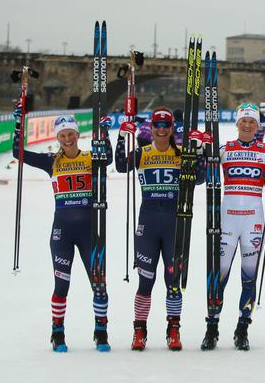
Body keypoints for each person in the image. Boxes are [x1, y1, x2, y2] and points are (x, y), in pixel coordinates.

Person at [11, 107, 113, 352]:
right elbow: (18, 153)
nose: (67, 139)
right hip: (62, 233)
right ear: (57, 138)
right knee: (61, 286)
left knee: (99, 284)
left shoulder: (90, 158)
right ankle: (57, 332)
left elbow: (108, 158)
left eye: (71, 134)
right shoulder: (51, 161)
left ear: (77, 135)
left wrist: (106, 134)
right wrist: (18, 125)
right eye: (62, 135)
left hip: (90, 231)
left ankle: (101, 331)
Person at [116, 108, 204, 351]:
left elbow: (199, 178)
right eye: (157, 125)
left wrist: (199, 151)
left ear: (172, 128)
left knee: (172, 281)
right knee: (146, 281)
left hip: (174, 223)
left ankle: (173, 329)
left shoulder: (181, 154)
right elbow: (122, 167)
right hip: (148, 223)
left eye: (166, 125)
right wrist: (121, 137)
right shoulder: (143, 152)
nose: (162, 130)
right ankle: (139, 330)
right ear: (152, 128)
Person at [200, 102, 265, 351]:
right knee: (218, 277)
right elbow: (203, 175)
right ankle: (212, 328)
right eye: (243, 121)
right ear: (236, 124)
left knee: (249, 278)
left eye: (251, 122)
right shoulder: (224, 149)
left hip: (253, 219)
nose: (247, 125)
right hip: (227, 220)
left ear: (257, 125)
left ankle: (242, 328)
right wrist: (200, 149)